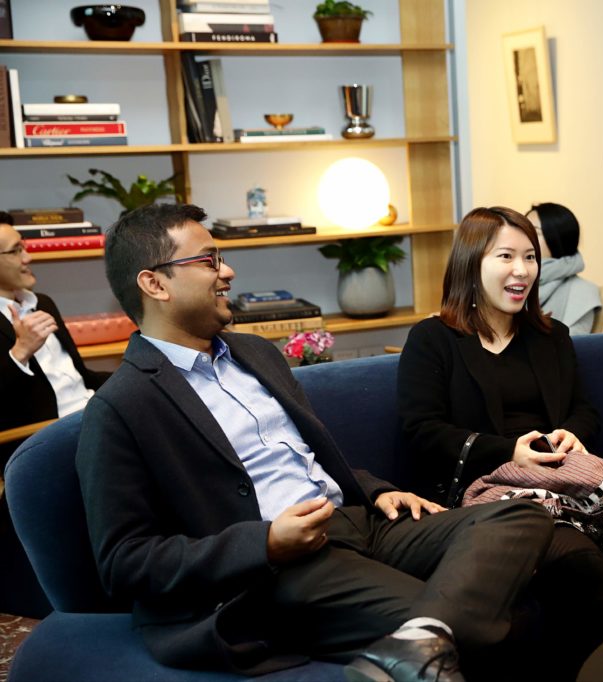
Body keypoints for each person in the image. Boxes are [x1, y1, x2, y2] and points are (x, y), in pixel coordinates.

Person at [76, 203, 555, 681]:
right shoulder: (121, 406)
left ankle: (422, 637)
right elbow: (123, 562)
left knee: (521, 512)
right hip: (278, 570)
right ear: (154, 283)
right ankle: (430, 634)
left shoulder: (256, 353)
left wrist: (375, 490)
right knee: (507, 620)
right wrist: (263, 543)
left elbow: (305, 458)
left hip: (354, 521)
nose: (227, 271)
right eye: (208, 261)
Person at [396, 206, 603, 680]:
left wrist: (573, 433)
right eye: (506, 256)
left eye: (530, 256)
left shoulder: (551, 336)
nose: (522, 270)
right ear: (472, 262)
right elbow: (421, 430)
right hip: (493, 494)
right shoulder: (434, 339)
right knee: (579, 564)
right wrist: (508, 450)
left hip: (567, 481)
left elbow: (585, 411)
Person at [0, 211, 110, 465]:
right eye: (16, 250)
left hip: (92, 419)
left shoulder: (43, 303)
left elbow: (81, 376)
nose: (28, 257)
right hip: (42, 440)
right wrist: (20, 353)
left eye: (24, 247)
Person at [525, 202, 603, 335]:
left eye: (535, 232)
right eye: (523, 230)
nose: (525, 237)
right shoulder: (509, 280)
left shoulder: (583, 293)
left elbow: (573, 348)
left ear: (556, 239)